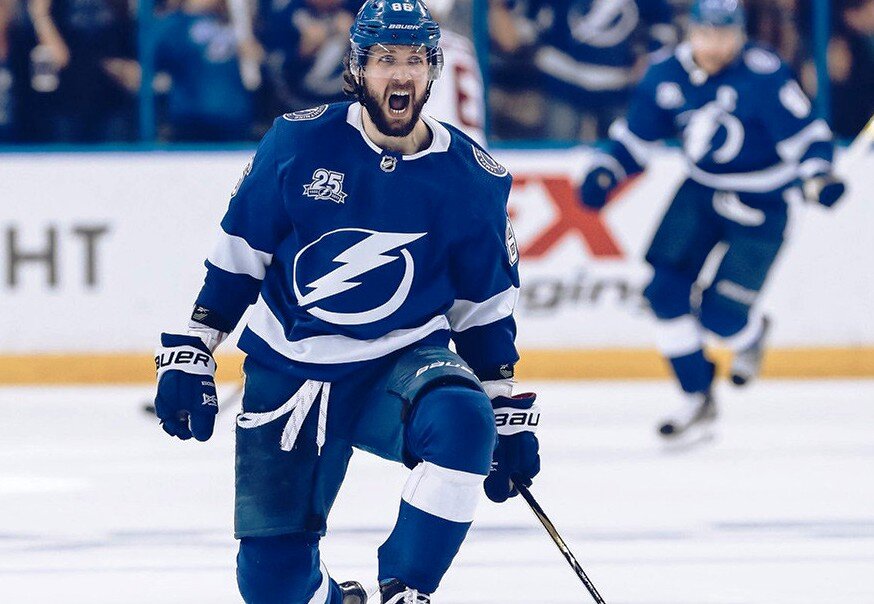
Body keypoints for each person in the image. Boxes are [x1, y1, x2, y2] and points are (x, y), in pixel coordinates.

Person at [152, 1, 541, 602]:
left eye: (415, 59)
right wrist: (196, 348)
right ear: (357, 68)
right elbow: (240, 257)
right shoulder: (299, 142)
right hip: (290, 368)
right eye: (385, 59)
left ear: (433, 69)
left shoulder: (471, 178)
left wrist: (502, 408)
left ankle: (407, 589)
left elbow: (482, 313)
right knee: (272, 585)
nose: (401, 74)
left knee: (463, 421)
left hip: (400, 362)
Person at [578, 0, 845, 438]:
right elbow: (636, 139)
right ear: (691, 32)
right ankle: (695, 397)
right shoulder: (665, 73)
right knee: (663, 293)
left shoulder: (763, 74)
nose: (716, 44)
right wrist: (607, 171)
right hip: (700, 192)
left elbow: (808, 137)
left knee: (721, 319)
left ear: (740, 34)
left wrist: (818, 174)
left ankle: (750, 335)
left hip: (763, 201)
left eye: (726, 34)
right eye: (707, 33)